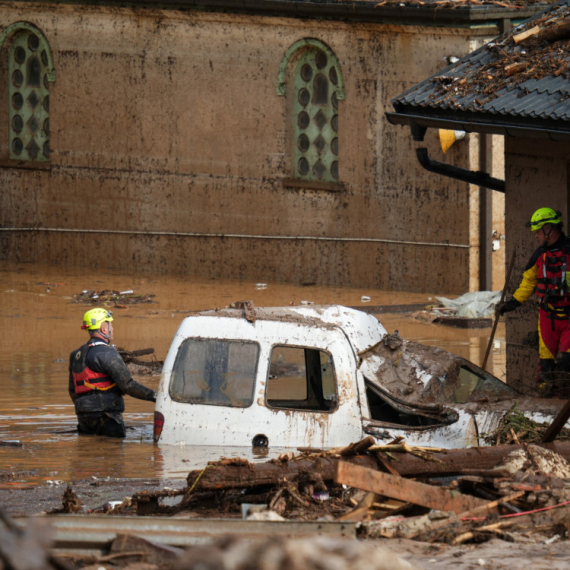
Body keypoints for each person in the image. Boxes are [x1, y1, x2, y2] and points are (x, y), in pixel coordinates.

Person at [498, 207, 570, 383]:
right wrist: (512, 303)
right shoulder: (538, 255)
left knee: (566, 363)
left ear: (548, 229)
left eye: (537, 231)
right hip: (547, 317)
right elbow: (528, 284)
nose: (536, 236)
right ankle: (543, 404)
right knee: (545, 367)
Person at [68, 308, 156, 437]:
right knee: (113, 452)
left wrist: (87, 408)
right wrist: (156, 397)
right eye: (111, 325)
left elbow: (72, 390)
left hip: (84, 417)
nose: (112, 328)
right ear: (104, 329)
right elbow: (128, 385)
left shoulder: (75, 355)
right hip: (107, 416)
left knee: (88, 452)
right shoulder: (107, 352)